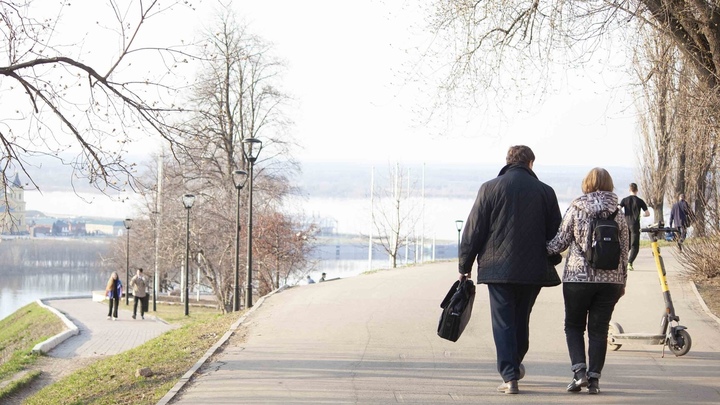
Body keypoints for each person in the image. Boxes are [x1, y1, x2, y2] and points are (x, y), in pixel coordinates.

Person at [458, 145, 562, 395]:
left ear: (507, 162)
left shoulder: (490, 188)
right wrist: (553, 258)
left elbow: (473, 230)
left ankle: (510, 375)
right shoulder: (545, 192)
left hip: (497, 269)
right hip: (533, 269)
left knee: (503, 321)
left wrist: (465, 265)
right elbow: (556, 234)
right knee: (521, 319)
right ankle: (513, 365)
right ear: (530, 163)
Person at [547, 167, 628, 395]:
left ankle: (579, 372)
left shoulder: (577, 209)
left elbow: (559, 243)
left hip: (577, 278)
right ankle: (594, 380)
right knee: (599, 330)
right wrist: (622, 282)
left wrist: (537, 247)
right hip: (610, 281)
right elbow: (624, 251)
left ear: (587, 184)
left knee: (573, 326)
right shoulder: (618, 214)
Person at [618, 183, 650, 271]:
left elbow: (618, 209)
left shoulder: (624, 200)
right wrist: (642, 215)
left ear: (629, 190)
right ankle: (630, 263)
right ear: (637, 190)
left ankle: (620, 262)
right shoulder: (640, 201)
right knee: (634, 245)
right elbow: (647, 213)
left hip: (625, 224)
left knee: (626, 244)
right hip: (635, 225)